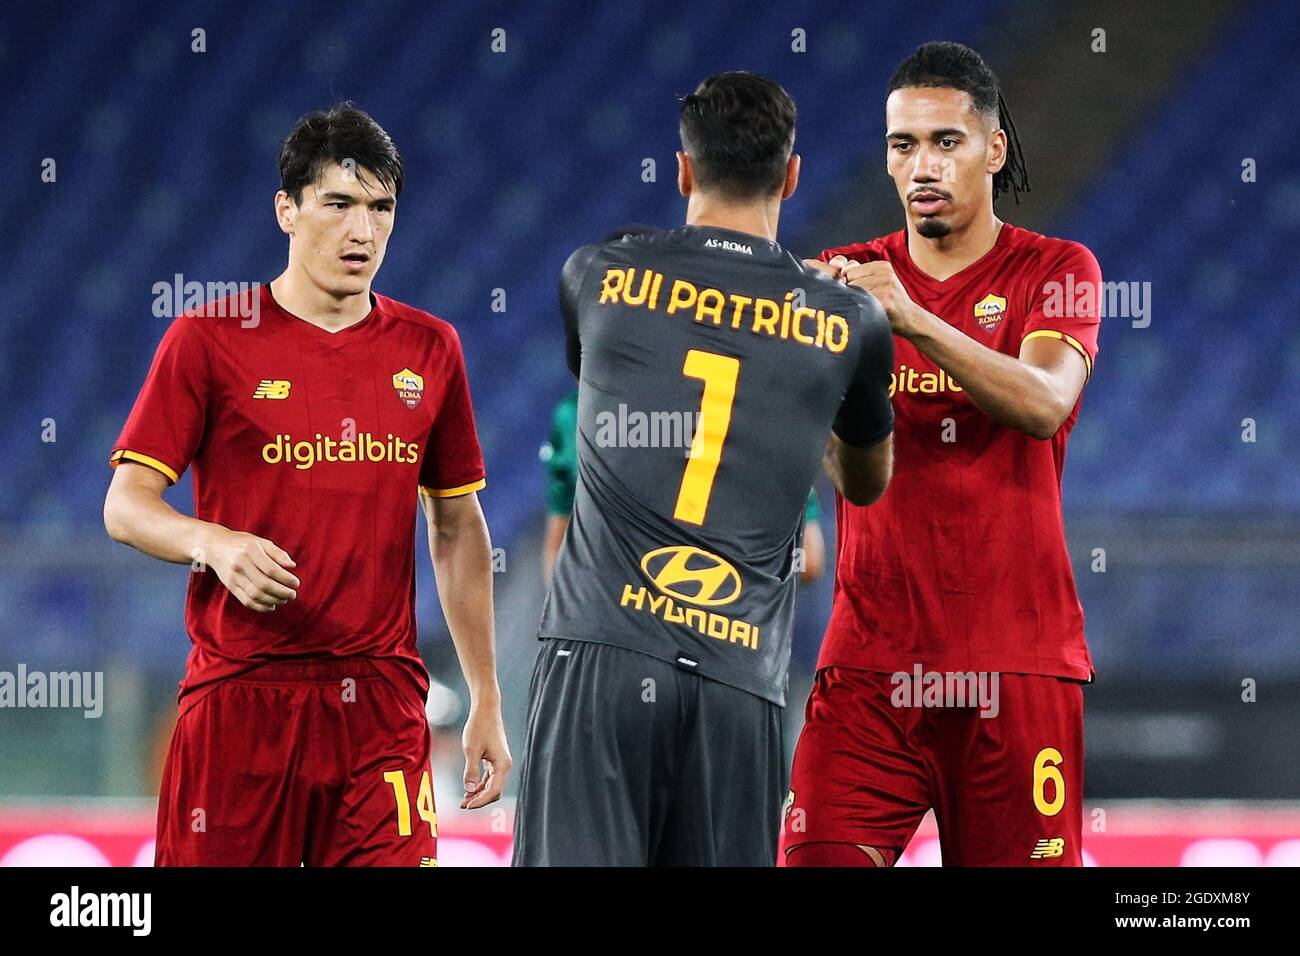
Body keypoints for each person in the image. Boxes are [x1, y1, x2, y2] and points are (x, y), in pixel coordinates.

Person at [103, 104, 510, 866]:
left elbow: (456, 525)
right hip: (240, 701)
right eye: (340, 204)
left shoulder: (431, 350)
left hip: (381, 707)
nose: (364, 232)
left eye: (382, 208)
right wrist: (211, 543)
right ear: (286, 209)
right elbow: (125, 506)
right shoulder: (208, 340)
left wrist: (485, 692)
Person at [513, 71, 894, 866]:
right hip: (738, 678)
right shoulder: (848, 321)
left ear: (682, 170)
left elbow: (599, 384)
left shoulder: (597, 276)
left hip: (600, 654)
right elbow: (865, 482)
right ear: (792, 176)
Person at [782, 41, 1101, 867]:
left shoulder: (1057, 270)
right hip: (868, 671)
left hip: (1015, 668)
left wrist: (913, 321)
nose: (922, 164)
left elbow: (1045, 403)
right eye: (903, 145)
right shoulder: (846, 286)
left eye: (946, 142)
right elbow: (828, 458)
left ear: (993, 149)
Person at [541, 387, 825, 584]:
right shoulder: (575, 411)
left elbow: (808, 560)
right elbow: (558, 552)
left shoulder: (761, 416)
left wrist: (706, 572)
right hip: (609, 635)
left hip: (718, 635)